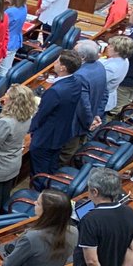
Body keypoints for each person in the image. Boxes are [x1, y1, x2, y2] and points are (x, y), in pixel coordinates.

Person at [0, 83, 37, 215]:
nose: (4, 98)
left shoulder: (5, 122)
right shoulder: (27, 116)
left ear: (14, 101)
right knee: (4, 198)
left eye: (7, 96)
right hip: (13, 164)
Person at [29, 51, 87, 183]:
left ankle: (40, 195)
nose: (54, 63)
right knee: (52, 165)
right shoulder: (77, 82)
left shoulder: (55, 91)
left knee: (39, 173)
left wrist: (29, 129)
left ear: (63, 68)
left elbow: (41, 115)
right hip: (62, 133)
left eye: (57, 61)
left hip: (46, 137)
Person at [62, 39, 108, 164]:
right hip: (89, 119)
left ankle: (55, 177)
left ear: (82, 57)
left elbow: (83, 105)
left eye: (74, 51)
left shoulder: (79, 75)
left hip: (76, 123)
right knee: (77, 147)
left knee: (66, 153)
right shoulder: (100, 66)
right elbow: (105, 94)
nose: (71, 53)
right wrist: (97, 115)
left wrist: (89, 122)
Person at [101, 34, 133, 116]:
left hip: (101, 99)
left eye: (111, 46)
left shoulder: (112, 68)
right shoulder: (124, 60)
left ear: (118, 51)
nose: (108, 47)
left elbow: (97, 81)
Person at [1, 0, 29, 77]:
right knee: (8, 65)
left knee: (3, 71)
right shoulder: (24, 7)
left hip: (7, 43)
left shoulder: (10, 12)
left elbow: (0, 27)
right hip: (16, 40)